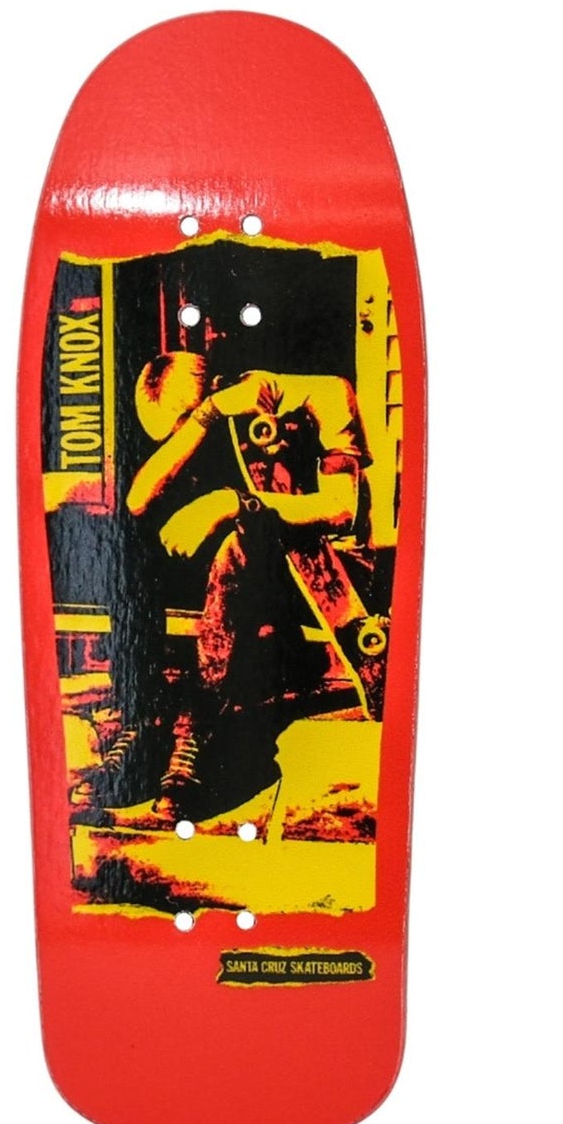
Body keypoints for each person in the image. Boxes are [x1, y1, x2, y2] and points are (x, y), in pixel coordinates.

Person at [118, 351, 372, 821]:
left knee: (236, 547)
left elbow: (342, 510)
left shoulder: (327, 395)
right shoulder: (215, 415)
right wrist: (206, 417)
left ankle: (198, 732)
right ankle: (143, 719)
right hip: (249, 579)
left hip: (324, 573)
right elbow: (137, 500)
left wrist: (233, 503)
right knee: (127, 544)